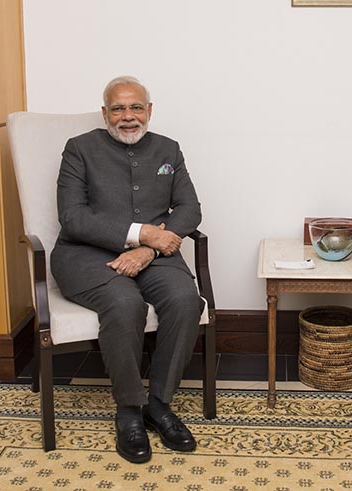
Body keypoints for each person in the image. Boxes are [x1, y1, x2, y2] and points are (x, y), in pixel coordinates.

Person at [51, 76, 204, 464]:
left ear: (149, 110)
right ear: (105, 113)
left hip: (152, 255)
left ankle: (159, 404)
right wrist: (142, 233)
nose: (128, 116)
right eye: (118, 109)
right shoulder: (79, 149)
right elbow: (71, 217)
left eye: (136, 107)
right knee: (123, 303)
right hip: (87, 255)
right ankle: (129, 411)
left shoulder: (169, 149)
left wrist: (149, 249)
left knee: (186, 300)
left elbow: (189, 209)